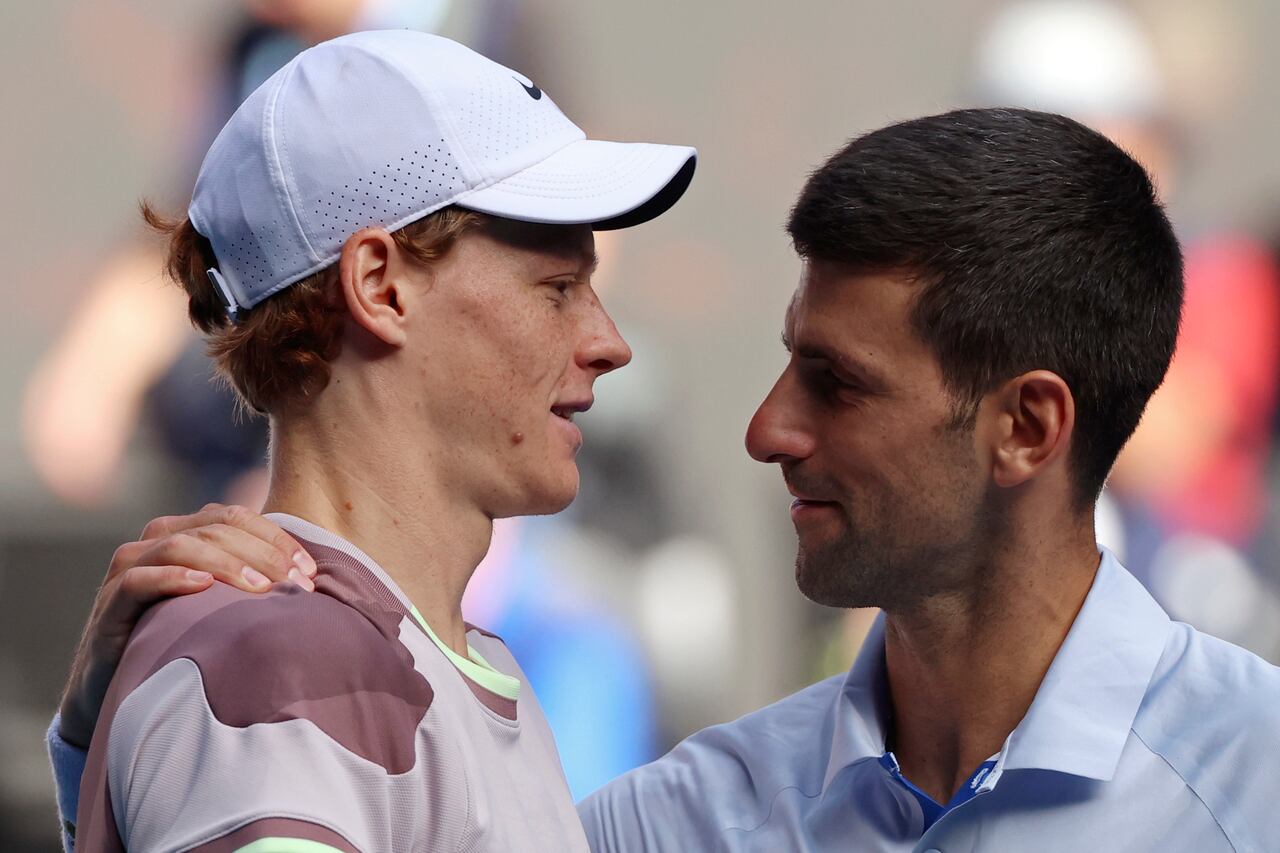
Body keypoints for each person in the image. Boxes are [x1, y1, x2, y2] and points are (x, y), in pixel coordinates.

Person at [52, 109, 1280, 850]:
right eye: (550, 284)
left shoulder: (1256, 780)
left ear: (1026, 429)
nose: (765, 431)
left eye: (834, 384)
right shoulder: (685, 818)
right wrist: (107, 748)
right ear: (375, 290)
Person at [50, 29, 695, 853]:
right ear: (380, 286)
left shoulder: (385, 655)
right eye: (558, 288)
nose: (609, 342)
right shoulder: (289, 663)